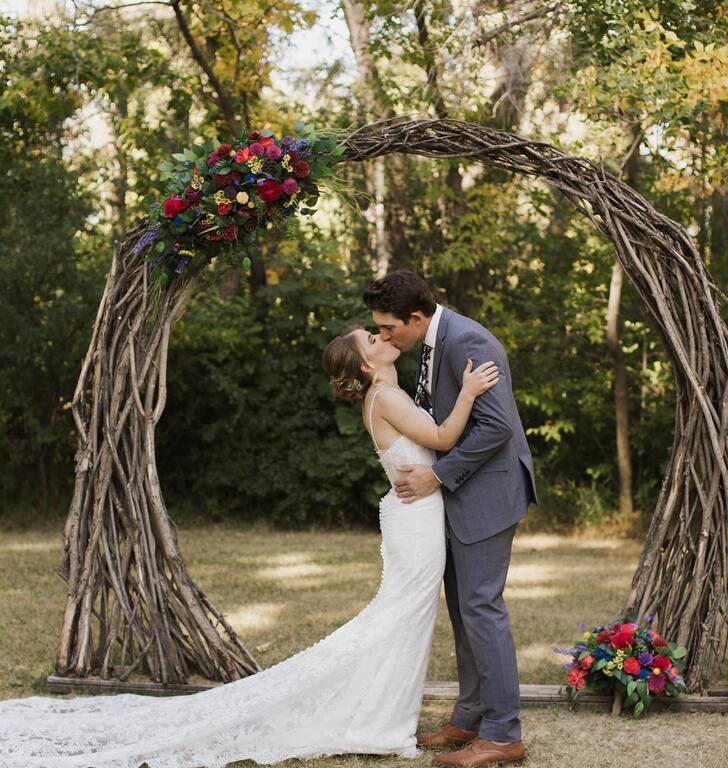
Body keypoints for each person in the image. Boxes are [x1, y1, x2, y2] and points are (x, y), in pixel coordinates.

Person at [0, 326, 499, 768]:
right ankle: (378, 721)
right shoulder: (386, 398)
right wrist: (471, 392)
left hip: (413, 515)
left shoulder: (387, 393)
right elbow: (443, 435)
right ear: (367, 365)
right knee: (399, 618)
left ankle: (385, 715)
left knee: (402, 619)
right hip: (415, 521)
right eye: (371, 339)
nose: (380, 336)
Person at [363, 270, 536, 768]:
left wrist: (438, 476)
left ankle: (503, 735)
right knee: (463, 608)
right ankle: (472, 715)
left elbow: (496, 427)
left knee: (481, 607)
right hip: (463, 497)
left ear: (415, 318)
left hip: (487, 493)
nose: (386, 336)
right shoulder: (433, 341)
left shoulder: (468, 340)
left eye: (389, 328)